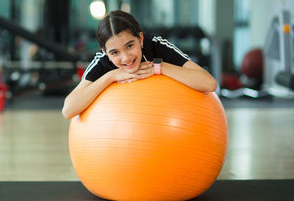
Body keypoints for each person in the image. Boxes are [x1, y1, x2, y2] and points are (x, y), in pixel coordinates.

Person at [62, 10, 217, 119]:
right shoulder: (102, 62)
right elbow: (68, 110)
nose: (126, 58)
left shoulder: (156, 45)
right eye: (115, 52)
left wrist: (159, 68)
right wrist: (111, 76)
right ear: (105, 52)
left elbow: (209, 83)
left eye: (130, 46)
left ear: (140, 39)